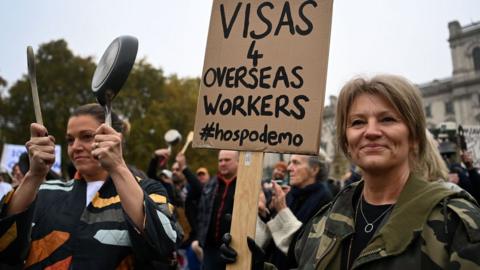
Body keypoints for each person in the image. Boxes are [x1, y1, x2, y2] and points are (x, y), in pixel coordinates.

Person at [291, 75, 480, 269]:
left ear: (414, 137)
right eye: (358, 122)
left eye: (387, 119)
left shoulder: (457, 223)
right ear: (346, 142)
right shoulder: (324, 220)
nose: (371, 131)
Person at [0, 103, 180, 269]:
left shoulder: (148, 190)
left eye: (87, 137)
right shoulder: (47, 190)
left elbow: (164, 245)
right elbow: (6, 247)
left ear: (115, 138)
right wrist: (34, 175)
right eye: (70, 140)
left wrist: (118, 167)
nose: (75, 147)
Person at [254, 154, 333, 270]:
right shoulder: (292, 194)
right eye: (290, 162)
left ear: (314, 169)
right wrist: (264, 215)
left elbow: (307, 249)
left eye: (296, 163)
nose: (289, 168)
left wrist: (282, 210)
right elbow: (273, 239)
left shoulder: (325, 200)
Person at [193, 150, 239, 270]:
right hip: (210, 248)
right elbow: (201, 214)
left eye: (227, 160)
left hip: (235, 249)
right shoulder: (211, 184)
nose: (223, 163)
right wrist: (199, 238)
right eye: (220, 160)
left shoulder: (244, 185)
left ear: (238, 162)